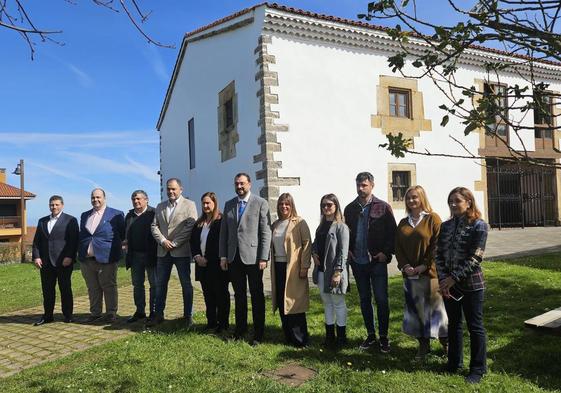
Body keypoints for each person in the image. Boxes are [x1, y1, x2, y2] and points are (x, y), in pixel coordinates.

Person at [436, 187, 488, 384]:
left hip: (472, 285)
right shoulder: (446, 225)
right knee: (454, 325)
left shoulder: (479, 226)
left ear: (468, 202)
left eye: (457, 201)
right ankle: (454, 363)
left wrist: (453, 278)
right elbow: (438, 253)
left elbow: (476, 258)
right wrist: (443, 280)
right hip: (448, 285)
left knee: (475, 327)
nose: (453, 204)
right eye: (450, 201)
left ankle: (477, 369)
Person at [343, 172, 396, 353]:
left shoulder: (383, 207)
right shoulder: (350, 209)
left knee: (381, 299)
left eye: (364, 185)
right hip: (358, 262)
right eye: (358, 185)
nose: (361, 188)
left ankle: (384, 337)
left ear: (372, 185)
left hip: (376, 262)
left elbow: (392, 234)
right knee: (365, 299)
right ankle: (371, 335)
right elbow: (346, 233)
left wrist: (386, 254)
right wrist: (347, 250)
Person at [395, 185, 447, 360]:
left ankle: (447, 345)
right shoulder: (403, 222)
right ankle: (423, 346)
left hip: (430, 274)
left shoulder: (433, 219)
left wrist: (425, 266)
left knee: (436, 311)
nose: (411, 201)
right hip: (411, 275)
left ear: (422, 198)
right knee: (417, 312)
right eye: (408, 198)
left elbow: (437, 246)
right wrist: (405, 266)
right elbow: (398, 248)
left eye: (415, 197)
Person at [219, 173, 271, 345]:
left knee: (256, 295)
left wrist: (264, 257)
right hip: (234, 258)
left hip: (254, 258)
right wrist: (223, 256)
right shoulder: (229, 205)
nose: (239, 186)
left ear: (249, 184)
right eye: (236, 184)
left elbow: (265, 232)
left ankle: (258, 333)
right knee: (239, 295)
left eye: (242, 183)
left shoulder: (260, 203)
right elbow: (224, 233)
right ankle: (240, 329)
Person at [150, 178, 197, 327]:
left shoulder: (190, 205)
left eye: (174, 189)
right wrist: (163, 241)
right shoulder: (160, 206)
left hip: (181, 252)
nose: (171, 191)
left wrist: (175, 243)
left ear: (180, 189)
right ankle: (159, 315)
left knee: (186, 285)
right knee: (160, 285)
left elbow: (190, 226)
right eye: (168, 189)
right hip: (163, 252)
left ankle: (188, 315)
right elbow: (154, 226)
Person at [270, 193, 312, 347]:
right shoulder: (275, 224)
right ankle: (287, 335)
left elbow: (307, 243)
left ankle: (300, 339)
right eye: (281, 204)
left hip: (293, 268)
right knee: (282, 302)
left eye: (287, 204)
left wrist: (304, 266)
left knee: (295, 303)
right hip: (278, 267)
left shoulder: (299, 222)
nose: (284, 207)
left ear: (291, 205)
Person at [78, 188, 125, 323]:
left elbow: (121, 235)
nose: (95, 200)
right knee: (92, 288)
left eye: (98, 197)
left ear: (104, 198)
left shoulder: (116, 214)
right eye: (93, 197)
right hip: (87, 259)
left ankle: (111, 313)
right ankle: (95, 313)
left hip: (107, 258)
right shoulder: (84, 215)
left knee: (109, 286)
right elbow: (85, 234)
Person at [31, 195, 79, 325]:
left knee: (65, 289)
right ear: (49, 206)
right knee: (47, 291)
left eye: (57, 204)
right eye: (52, 205)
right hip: (46, 263)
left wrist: (69, 256)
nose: (54, 207)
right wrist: (36, 257)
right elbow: (37, 242)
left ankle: (68, 315)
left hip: (63, 262)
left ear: (62, 205)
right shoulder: (42, 221)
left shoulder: (71, 220)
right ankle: (48, 316)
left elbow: (73, 241)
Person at [312, 194, 350, 347]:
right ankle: (329, 337)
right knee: (327, 303)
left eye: (329, 205)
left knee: (338, 303)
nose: (326, 208)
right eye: (323, 205)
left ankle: (341, 337)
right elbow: (316, 244)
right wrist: (314, 253)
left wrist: (338, 272)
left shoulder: (341, 227)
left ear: (336, 206)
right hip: (321, 271)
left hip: (334, 272)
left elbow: (343, 251)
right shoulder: (320, 226)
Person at [190, 192, 230, 333]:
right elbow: (193, 242)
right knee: (208, 295)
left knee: (221, 296)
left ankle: (223, 324)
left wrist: (210, 258)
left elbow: (223, 242)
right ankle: (211, 322)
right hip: (202, 265)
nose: (206, 206)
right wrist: (197, 256)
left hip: (217, 265)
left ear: (214, 203)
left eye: (208, 203)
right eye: (204, 203)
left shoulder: (221, 220)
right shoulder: (199, 223)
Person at [124, 190, 157, 324]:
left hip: (151, 255)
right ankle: (140, 311)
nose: (136, 201)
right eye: (133, 199)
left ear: (146, 199)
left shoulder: (153, 213)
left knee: (154, 285)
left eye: (138, 199)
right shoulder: (129, 216)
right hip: (135, 255)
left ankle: (154, 312)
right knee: (137, 285)